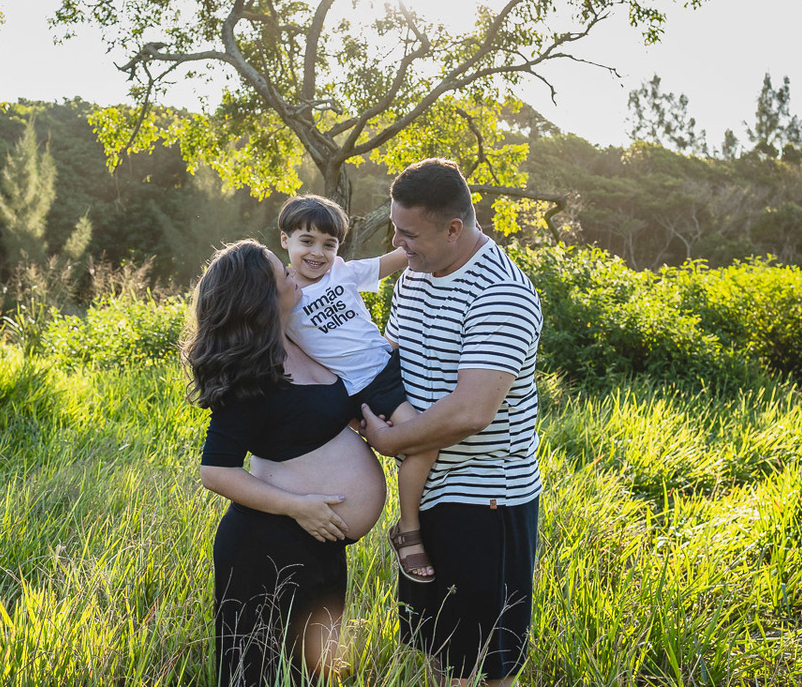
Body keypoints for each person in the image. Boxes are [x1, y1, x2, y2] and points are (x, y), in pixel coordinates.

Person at [357, 159, 543, 686]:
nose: (399, 244)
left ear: (454, 228)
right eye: (396, 228)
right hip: (428, 493)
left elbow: (471, 411)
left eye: (409, 233)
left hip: (486, 501)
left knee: (482, 663)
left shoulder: (501, 293)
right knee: (441, 650)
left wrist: (389, 438)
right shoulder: (416, 275)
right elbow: (390, 355)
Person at [184, 240, 387, 686]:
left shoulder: (303, 340)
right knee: (259, 675)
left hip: (323, 545)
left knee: (312, 673)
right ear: (263, 297)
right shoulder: (249, 372)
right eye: (283, 275)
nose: (294, 276)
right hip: (268, 546)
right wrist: (298, 506)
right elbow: (215, 471)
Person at [278, 194, 438, 583]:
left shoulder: (343, 272)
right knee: (424, 442)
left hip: (390, 363)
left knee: (428, 437)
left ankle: (411, 523)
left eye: (329, 244)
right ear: (285, 240)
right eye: (307, 241)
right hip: (363, 387)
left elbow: (397, 257)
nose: (318, 253)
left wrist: (443, 229)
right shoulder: (282, 296)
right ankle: (409, 529)